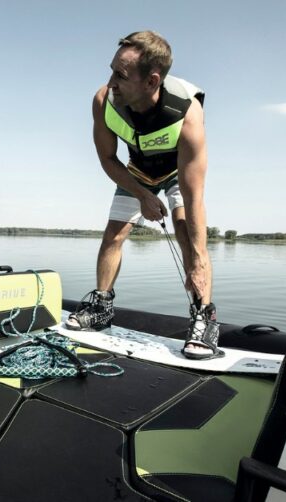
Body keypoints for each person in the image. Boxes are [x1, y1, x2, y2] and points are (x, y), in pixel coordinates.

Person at [65, 31, 223, 360]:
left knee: (186, 233)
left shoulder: (187, 115)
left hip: (177, 173)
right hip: (136, 172)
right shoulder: (103, 101)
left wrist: (197, 261)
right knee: (114, 233)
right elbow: (108, 159)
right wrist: (141, 195)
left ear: (152, 81)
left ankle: (202, 318)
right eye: (111, 71)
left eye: (120, 76)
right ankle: (101, 307)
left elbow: (194, 200)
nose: (111, 83)